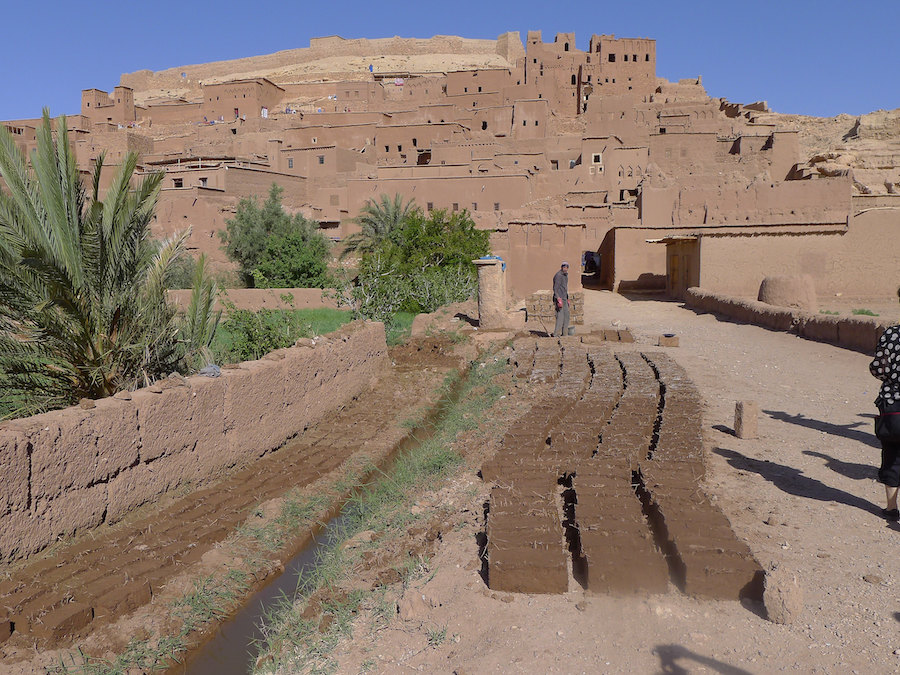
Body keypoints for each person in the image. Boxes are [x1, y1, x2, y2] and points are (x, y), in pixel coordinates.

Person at [869, 287, 900, 521]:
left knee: (891, 454)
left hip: (893, 405)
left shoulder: (891, 335)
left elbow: (878, 369)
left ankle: (891, 509)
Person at [552, 262, 570, 337]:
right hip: (559, 298)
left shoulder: (565, 275)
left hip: (564, 298)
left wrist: (567, 298)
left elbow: (565, 288)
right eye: (564, 267)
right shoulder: (558, 276)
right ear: (561, 267)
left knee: (567, 316)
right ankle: (556, 334)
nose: (565, 268)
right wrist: (558, 298)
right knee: (560, 317)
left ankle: (565, 333)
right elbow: (555, 288)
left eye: (566, 267)